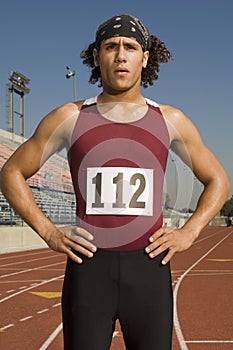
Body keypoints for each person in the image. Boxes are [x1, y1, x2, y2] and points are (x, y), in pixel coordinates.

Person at [0, 14, 229, 350]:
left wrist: (190, 232)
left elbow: (218, 180)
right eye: (111, 46)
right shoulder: (70, 117)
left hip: (149, 269)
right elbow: (11, 173)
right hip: (89, 271)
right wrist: (49, 231)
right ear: (97, 56)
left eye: (131, 47)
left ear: (145, 57)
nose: (121, 55)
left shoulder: (170, 120)